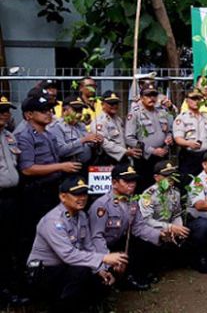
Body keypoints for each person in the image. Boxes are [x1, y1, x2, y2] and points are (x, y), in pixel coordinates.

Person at [26, 176, 128, 313]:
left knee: (101, 276)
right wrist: (103, 258)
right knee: (82, 269)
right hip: (44, 271)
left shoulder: (81, 216)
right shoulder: (53, 221)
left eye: (84, 194)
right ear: (63, 197)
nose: (82, 198)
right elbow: (68, 255)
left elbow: (89, 247)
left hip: (66, 267)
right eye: (76, 194)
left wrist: (101, 269)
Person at [17, 96, 81, 257]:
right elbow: (27, 169)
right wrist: (61, 166)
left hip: (52, 187)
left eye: (50, 110)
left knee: (54, 227)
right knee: (35, 230)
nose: (49, 114)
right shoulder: (25, 136)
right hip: (36, 190)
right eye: (43, 111)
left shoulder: (48, 134)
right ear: (29, 115)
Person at [88, 164, 162, 290]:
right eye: (127, 181)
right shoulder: (102, 206)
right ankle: (120, 278)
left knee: (145, 241)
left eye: (133, 180)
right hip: (100, 248)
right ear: (114, 183)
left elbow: (138, 227)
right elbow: (96, 238)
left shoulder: (131, 201)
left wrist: (161, 234)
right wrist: (109, 260)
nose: (132, 184)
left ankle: (133, 274)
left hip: (119, 242)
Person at [138, 161, 190, 279]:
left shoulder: (175, 192)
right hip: (153, 230)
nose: (170, 178)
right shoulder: (148, 195)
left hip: (170, 229)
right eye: (166, 176)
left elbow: (177, 214)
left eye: (172, 174)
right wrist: (169, 228)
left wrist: (179, 228)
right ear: (156, 177)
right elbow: (146, 221)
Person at [0, 96, 28, 307]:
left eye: (7, 110)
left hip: (11, 199)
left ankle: (10, 288)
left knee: (11, 245)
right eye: (1, 110)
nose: (5, 113)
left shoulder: (9, 136)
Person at [125, 83, 174, 192]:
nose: (152, 98)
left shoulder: (162, 112)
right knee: (145, 189)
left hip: (162, 156)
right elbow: (129, 138)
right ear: (142, 98)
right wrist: (152, 150)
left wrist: (169, 137)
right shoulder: (135, 114)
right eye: (148, 95)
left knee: (163, 188)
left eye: (154, 95)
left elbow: (169, 130)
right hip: (145, 158)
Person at [48, 95, 103, 175]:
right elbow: (60, 151)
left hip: (85, 166)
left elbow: (88, 145)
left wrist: (95, 142)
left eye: (80, 110)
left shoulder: (81, 125)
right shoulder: (57, 127)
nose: (79, 113)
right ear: (64, 111)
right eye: (75, 110)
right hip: (68, 169)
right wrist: (83, 140)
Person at [173, 87, 207, 189]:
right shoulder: (182, 118)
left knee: (206, 183)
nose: (196, 101)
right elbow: (178, 138)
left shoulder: (206, 117)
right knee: (187, 183)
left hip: (205, 155)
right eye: (193, 99)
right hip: (189, 156)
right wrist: (189, 143)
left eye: (198, 99)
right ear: (187, 100)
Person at [93, 91, 142, 165]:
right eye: (111, 103)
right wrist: (124, 152)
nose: (114, 106)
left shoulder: (118, 119)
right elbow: (104, 143)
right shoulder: (99, 121)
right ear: (102, 104)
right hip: (107, 160)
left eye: (116, 103)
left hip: (122, 158)